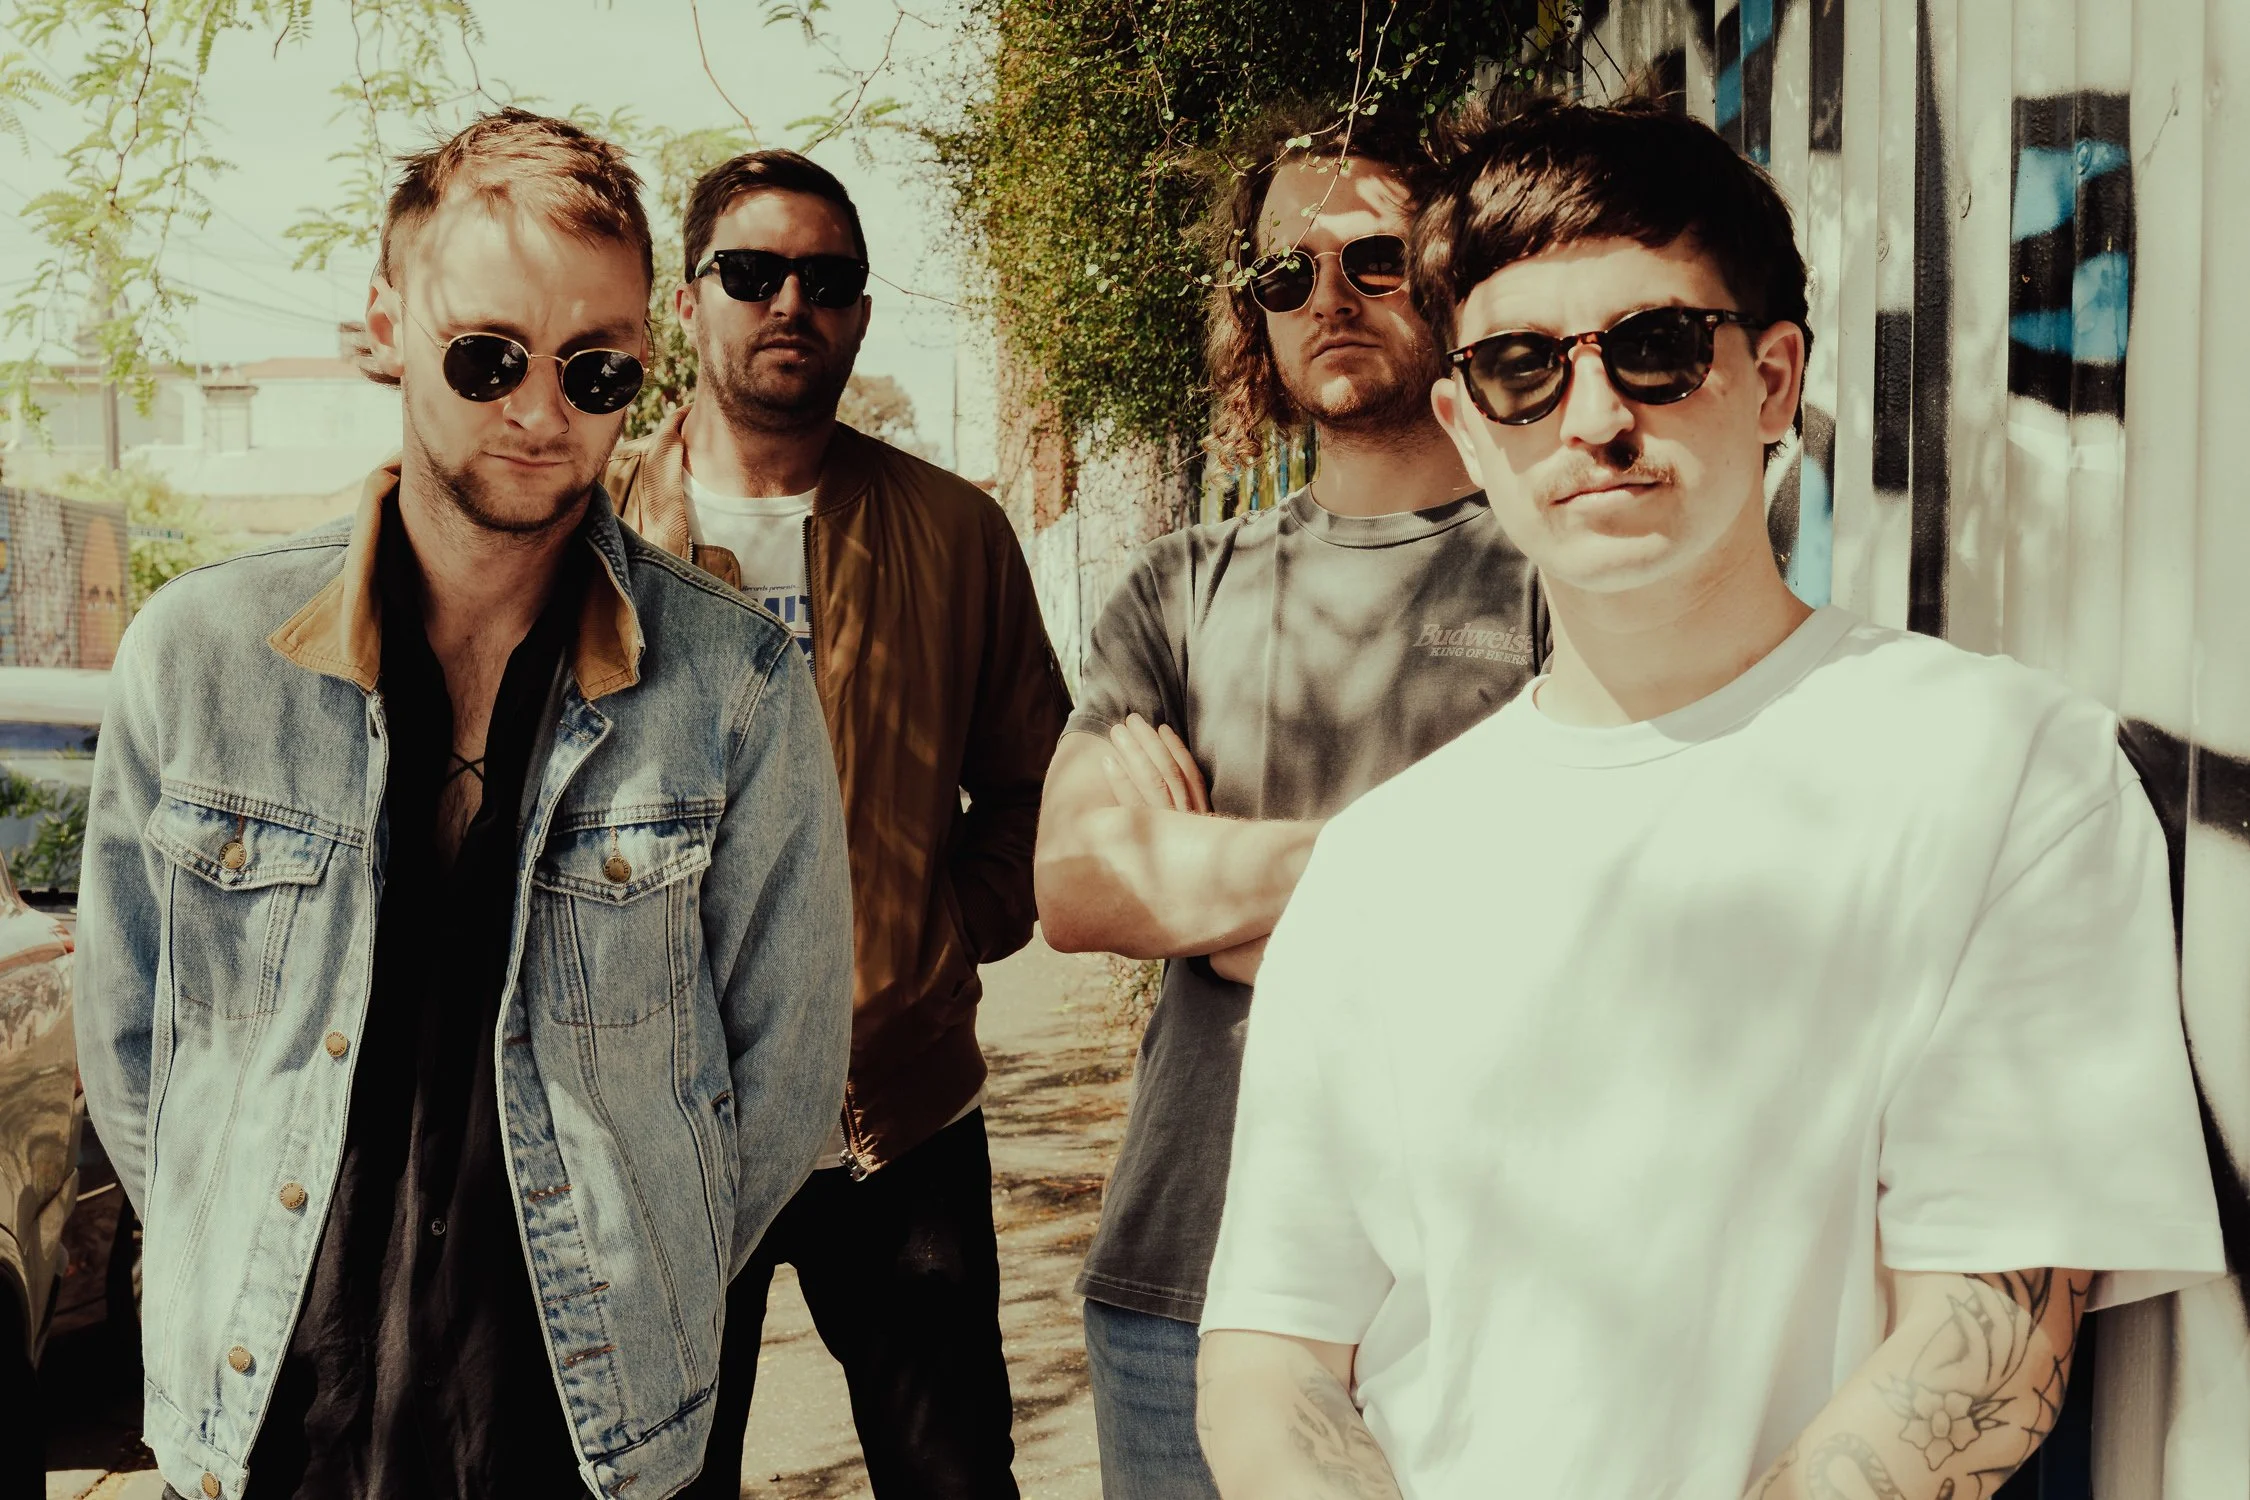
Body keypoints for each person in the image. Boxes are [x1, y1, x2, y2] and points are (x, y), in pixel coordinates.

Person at [1193, 95, 2228, 1500]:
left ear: (1774, 377)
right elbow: (1272, 1355)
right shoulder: (1379, 866)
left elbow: (1987, 1345)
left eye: (1658, 348)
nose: (1595, 418)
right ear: (1467, 427)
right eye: (1519, 369)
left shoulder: (2002, 769)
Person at [74, 109, 854, 1500]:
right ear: (387, 323)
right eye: (488, 355)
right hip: (272, 1433)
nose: (542, 413)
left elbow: (783, 1085)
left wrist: (642, 1281)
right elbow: (138, 1053)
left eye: (596, 369)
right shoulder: (197, 661)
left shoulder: (732, 686)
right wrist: (228, 1252)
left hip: (590, 1445)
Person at [1031, 106, 1542, 1499]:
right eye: (1285, 272)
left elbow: (1557, 911)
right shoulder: (1181, 585)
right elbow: (1076, 886)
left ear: (1448, 272)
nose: (1329, 297)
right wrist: (1416, 869)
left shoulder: (1555, 573)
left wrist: (1215, 888)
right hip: (1183, 1275)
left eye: (1373, 258)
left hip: (1467, 1282)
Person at [604, 150, 1073, 1500]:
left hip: (896, 1120)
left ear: (862, 310)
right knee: (652, 1483)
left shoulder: (954, 532)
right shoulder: (591, 530)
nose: (789, 303)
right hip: (654, 1126)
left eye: (827, 278)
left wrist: (936, 934)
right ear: (687, 302)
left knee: (952, 1478)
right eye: (752, 273)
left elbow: (1040, 790)